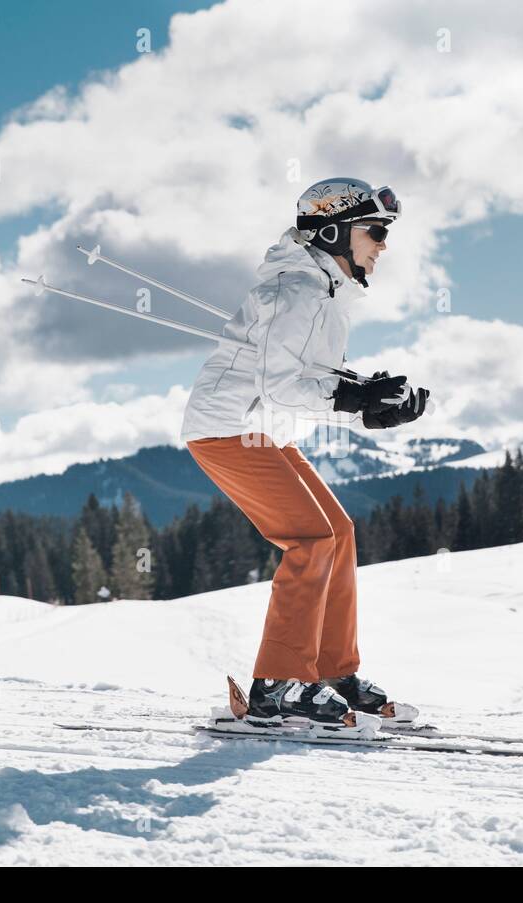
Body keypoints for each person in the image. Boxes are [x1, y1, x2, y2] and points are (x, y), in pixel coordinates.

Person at [180, 178, 429, 727]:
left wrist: (371, 400)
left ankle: (330, 671)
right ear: (336, 231)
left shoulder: (320, 290)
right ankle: (280, 685)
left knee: (337, 534)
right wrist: (353, 399)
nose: (383, 246)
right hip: (228, 428)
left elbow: (301, 379)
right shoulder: (298, 292)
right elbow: (279, 386)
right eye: (376, 232)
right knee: (311, 538)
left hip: (262, 429)